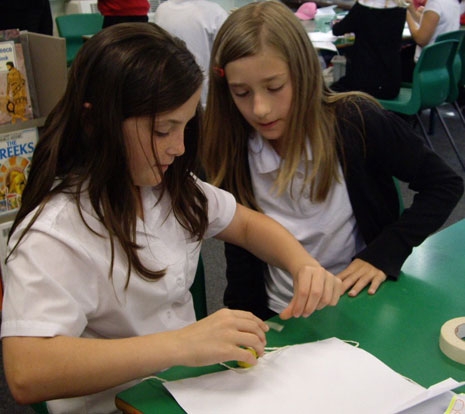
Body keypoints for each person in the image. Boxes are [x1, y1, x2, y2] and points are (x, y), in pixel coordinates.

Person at [1, 23, 341, 414]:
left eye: (184, 127)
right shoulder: (55, 232)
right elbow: (27, 372)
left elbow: (247, 225)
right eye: (163, 130)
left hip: (187, 391)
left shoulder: (169, 188)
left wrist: (302, 263)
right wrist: (180, 344)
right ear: (97, 122)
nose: (179, 147)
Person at [202, 1, 464, 320]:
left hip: (355, 303)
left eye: (274, 87)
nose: (260, 109)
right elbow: (241, 249)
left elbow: (445, 184)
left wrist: (385, 252)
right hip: (279, 314)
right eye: (241, 93)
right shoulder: (233, 146)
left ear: (303, 73)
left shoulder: (356, 122)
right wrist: (245, 318)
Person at [154, 0, 228, 107]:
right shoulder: (215, 13)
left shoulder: (162, 10)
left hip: (169, 92)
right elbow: (226, 56)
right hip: (204, 96)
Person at [331, 0, 408, 99]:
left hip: (365, 82)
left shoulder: (363, 8)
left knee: (330, 92)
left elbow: (338, 30)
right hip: (392, 83)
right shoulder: (401, 8)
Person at [403, 0, 461, 81]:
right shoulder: (453, 3)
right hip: (443, 64)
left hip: (425, 67)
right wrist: (412, 11)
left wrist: (406, 14)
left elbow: (421, 40)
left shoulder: (435, 4)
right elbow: (430, 23)